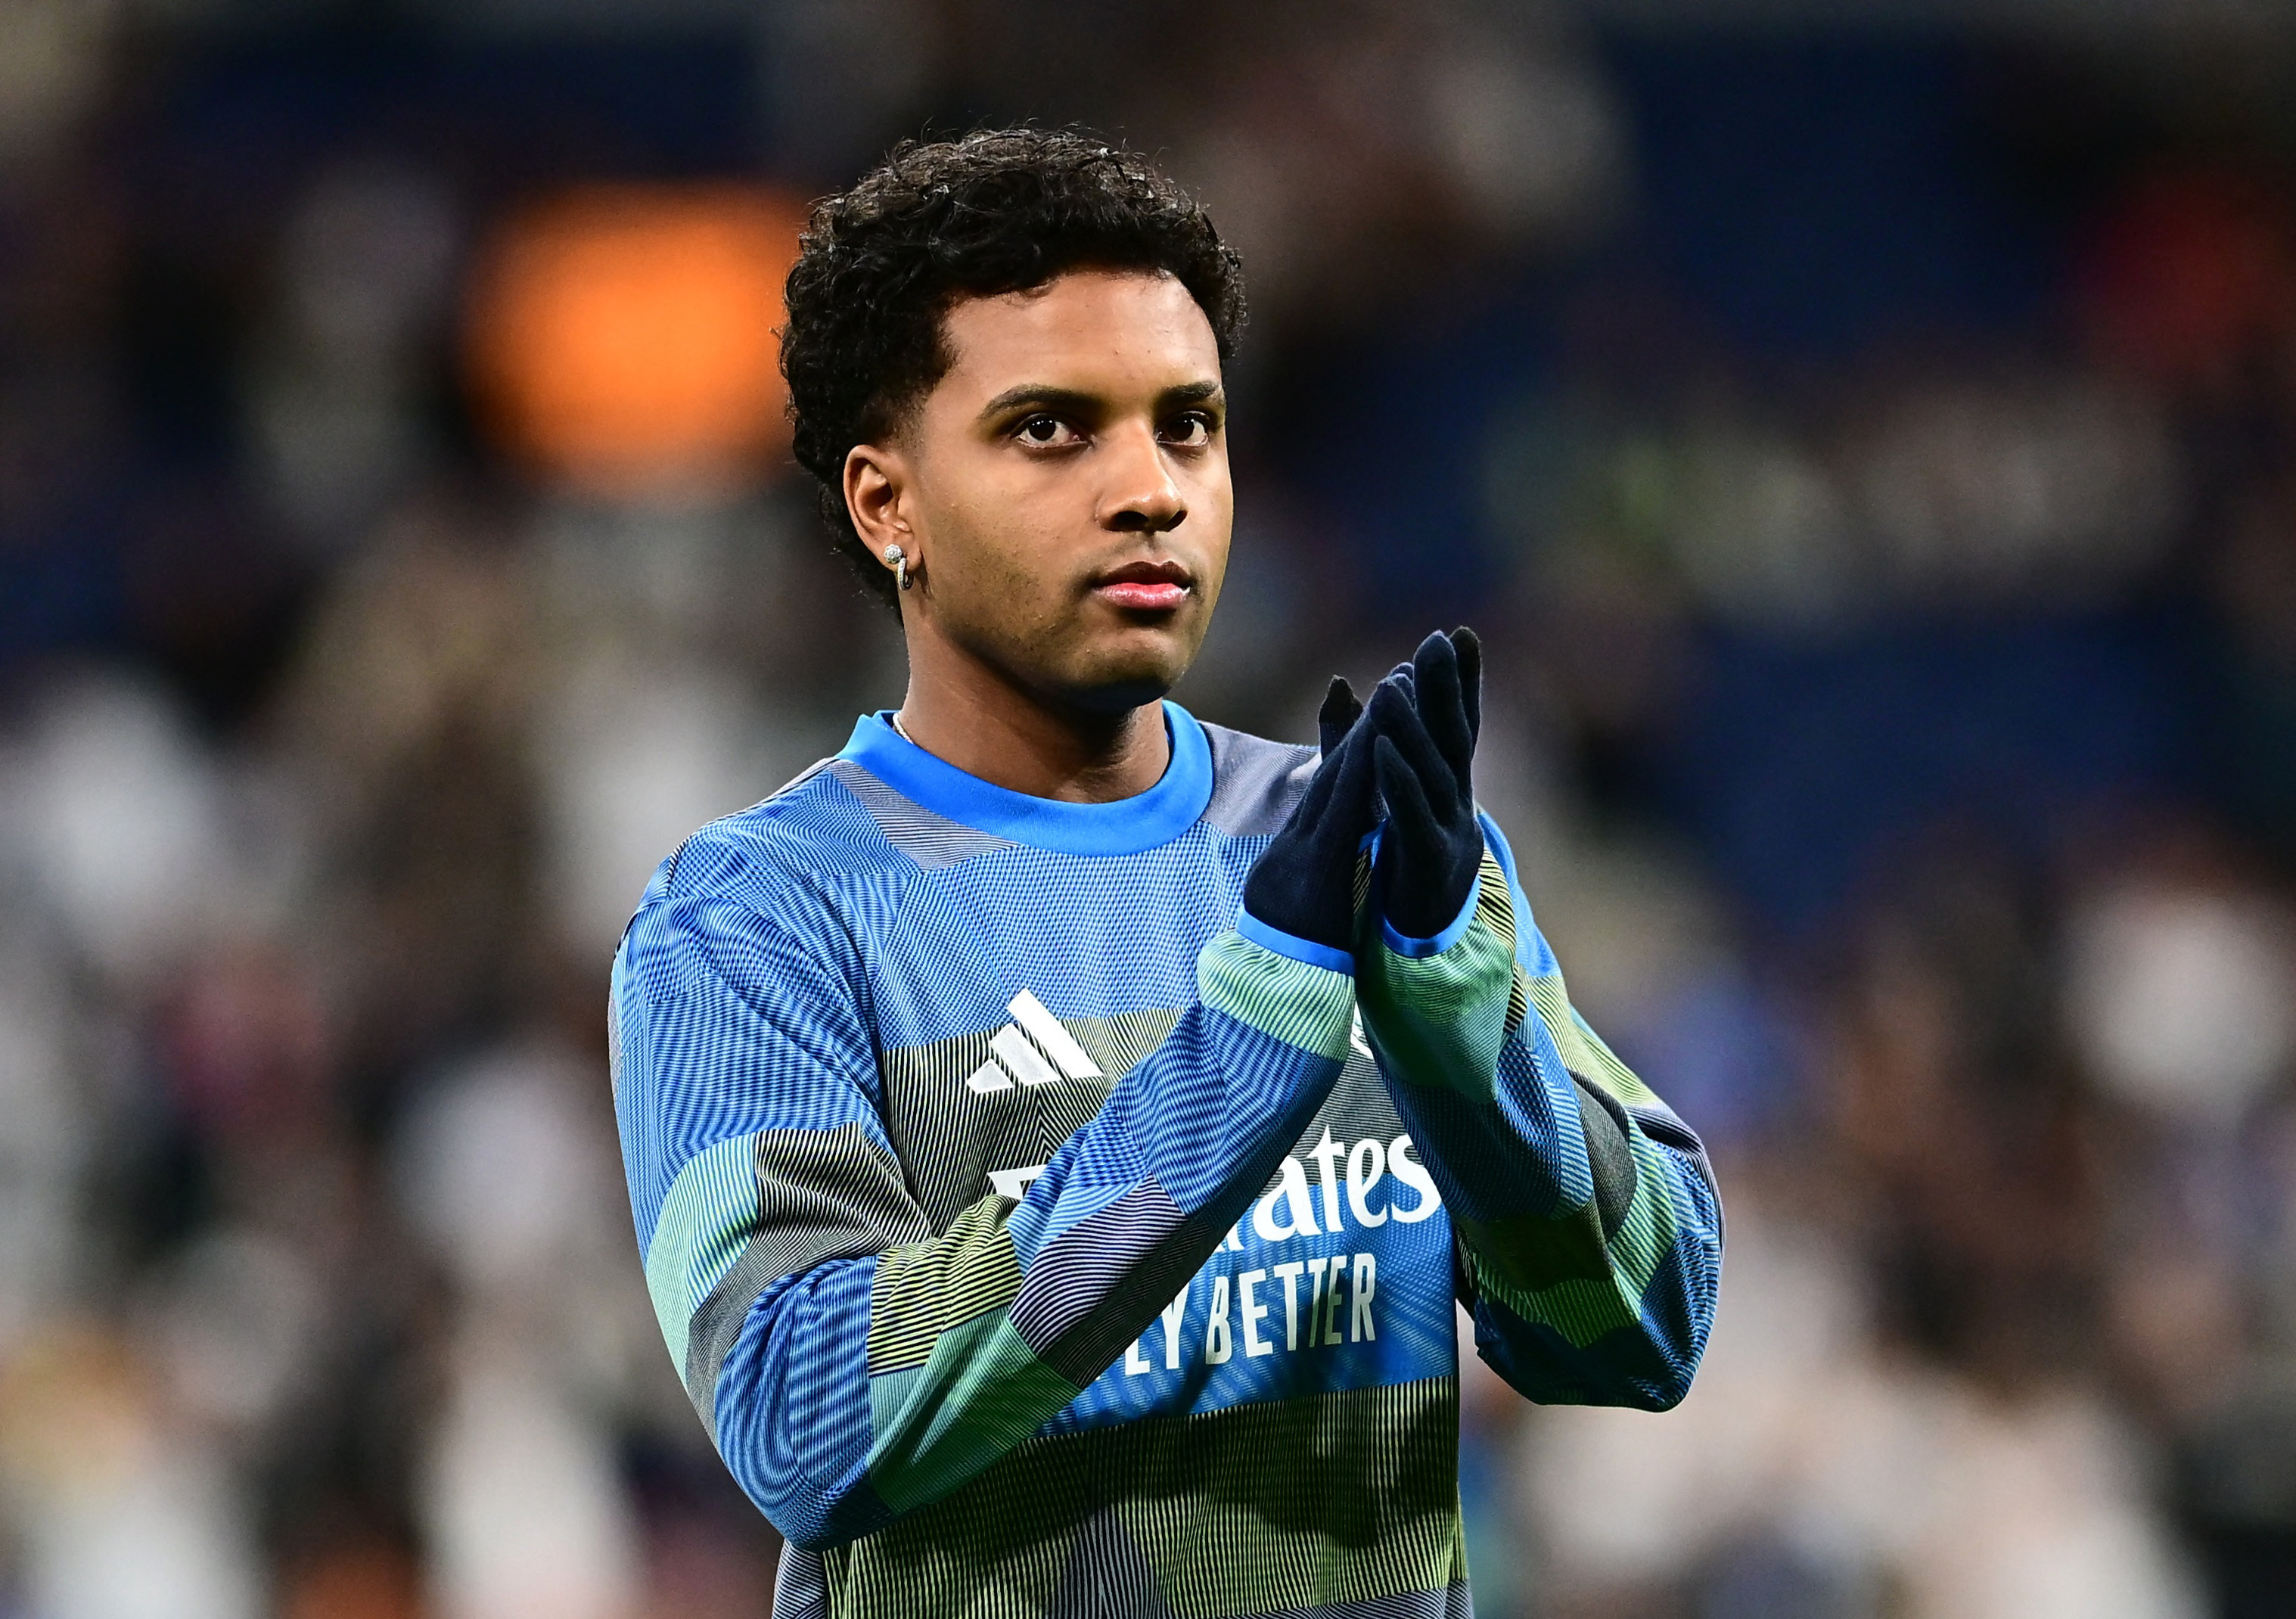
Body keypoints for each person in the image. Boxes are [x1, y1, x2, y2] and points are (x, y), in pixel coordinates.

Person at [608, 129, 1722, 1618]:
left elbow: (1638, 1327)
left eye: (1186, 424)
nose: (1150, 489)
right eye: (1052, 429)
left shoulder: (1360, 843)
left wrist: (1458, 995)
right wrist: (1252, 1037)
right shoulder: (752, 922)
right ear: (890, 505)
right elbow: (806, 1418)